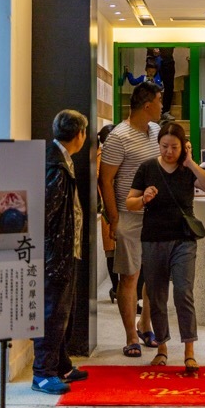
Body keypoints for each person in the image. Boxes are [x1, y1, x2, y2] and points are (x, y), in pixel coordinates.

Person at [125, 121, 205, 370]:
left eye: (174, 147)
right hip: (153, 239)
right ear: (159, 145)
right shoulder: (147, 168)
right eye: (164, 146)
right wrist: (143, 199)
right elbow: (130, 202)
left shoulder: (187, 169)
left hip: (183, 240)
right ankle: (162, 348)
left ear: (183, 147)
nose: (169, 151)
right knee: (156, 296)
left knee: (183, 293)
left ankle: (189, 351)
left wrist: (191, 163)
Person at [99, 81, 162, 357]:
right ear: (147, 105)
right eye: (159, 101)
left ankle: (145, 324)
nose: (162, 106)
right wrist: (114, 219)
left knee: (154, 275)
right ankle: (131, 336)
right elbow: (105, 180)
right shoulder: (119, 137)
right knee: (129, 276)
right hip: (129, 215)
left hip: (156, 216)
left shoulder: (156, 131)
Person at [32, 109, 88, 395]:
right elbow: (46, 212)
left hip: (65, 249)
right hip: (56, 252)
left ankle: (61, 365)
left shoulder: (60, 159)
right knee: (52, 311)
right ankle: (43, 373)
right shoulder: (55, 165)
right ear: (80, 135)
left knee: (64, 310)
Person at [97, 124, 118, 303]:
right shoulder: (99, 158)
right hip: (107, 209)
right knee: (111, 252)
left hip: (121, 208)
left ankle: (119, 290)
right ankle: (116, 288)